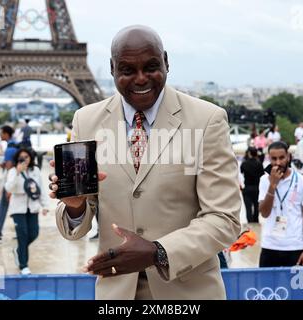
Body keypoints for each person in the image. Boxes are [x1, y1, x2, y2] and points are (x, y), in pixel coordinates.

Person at [48, 25, 241, 299]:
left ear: (166, 62)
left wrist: (158, 252)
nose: (141, 79)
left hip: (188, 294)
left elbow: (225, 219)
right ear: (112, 69)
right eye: (127, 70)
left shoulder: (207, 120)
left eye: (150, 67)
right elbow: (79, 224)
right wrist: (76, 206)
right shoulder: (86, 120)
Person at [258, 141, 303, 267]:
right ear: (269, 158)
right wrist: (272, 185)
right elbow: (264, 213)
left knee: (296, 286)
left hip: (295, 246)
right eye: (274, 159)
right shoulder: (264, 180)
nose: (278, 163)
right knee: (267, 286)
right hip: (270, 245)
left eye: (281, 158)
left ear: (288, 157)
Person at [5, 148, 49, 275]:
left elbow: (40, 189)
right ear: (17, 159)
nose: (24, 159)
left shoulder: (35, 170)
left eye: (27, 156)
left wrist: (45, 205)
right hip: (18, 208)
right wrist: (18, 173)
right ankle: (24, 265)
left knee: (34, 233)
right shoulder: (13, 171)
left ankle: (18, 250)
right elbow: (8, 188)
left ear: (30, 158)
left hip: (33, 207)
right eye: (21, 157)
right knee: (23, 235)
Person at [241, 147, 265, 223]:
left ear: (249, 153)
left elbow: (241, 173)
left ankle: (250, 223)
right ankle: (256, 221)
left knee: (248, 208)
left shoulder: (244, 163)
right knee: (256, 207)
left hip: (247, 187)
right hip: (257, 188)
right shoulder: (259, 164)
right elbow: (262, 175)